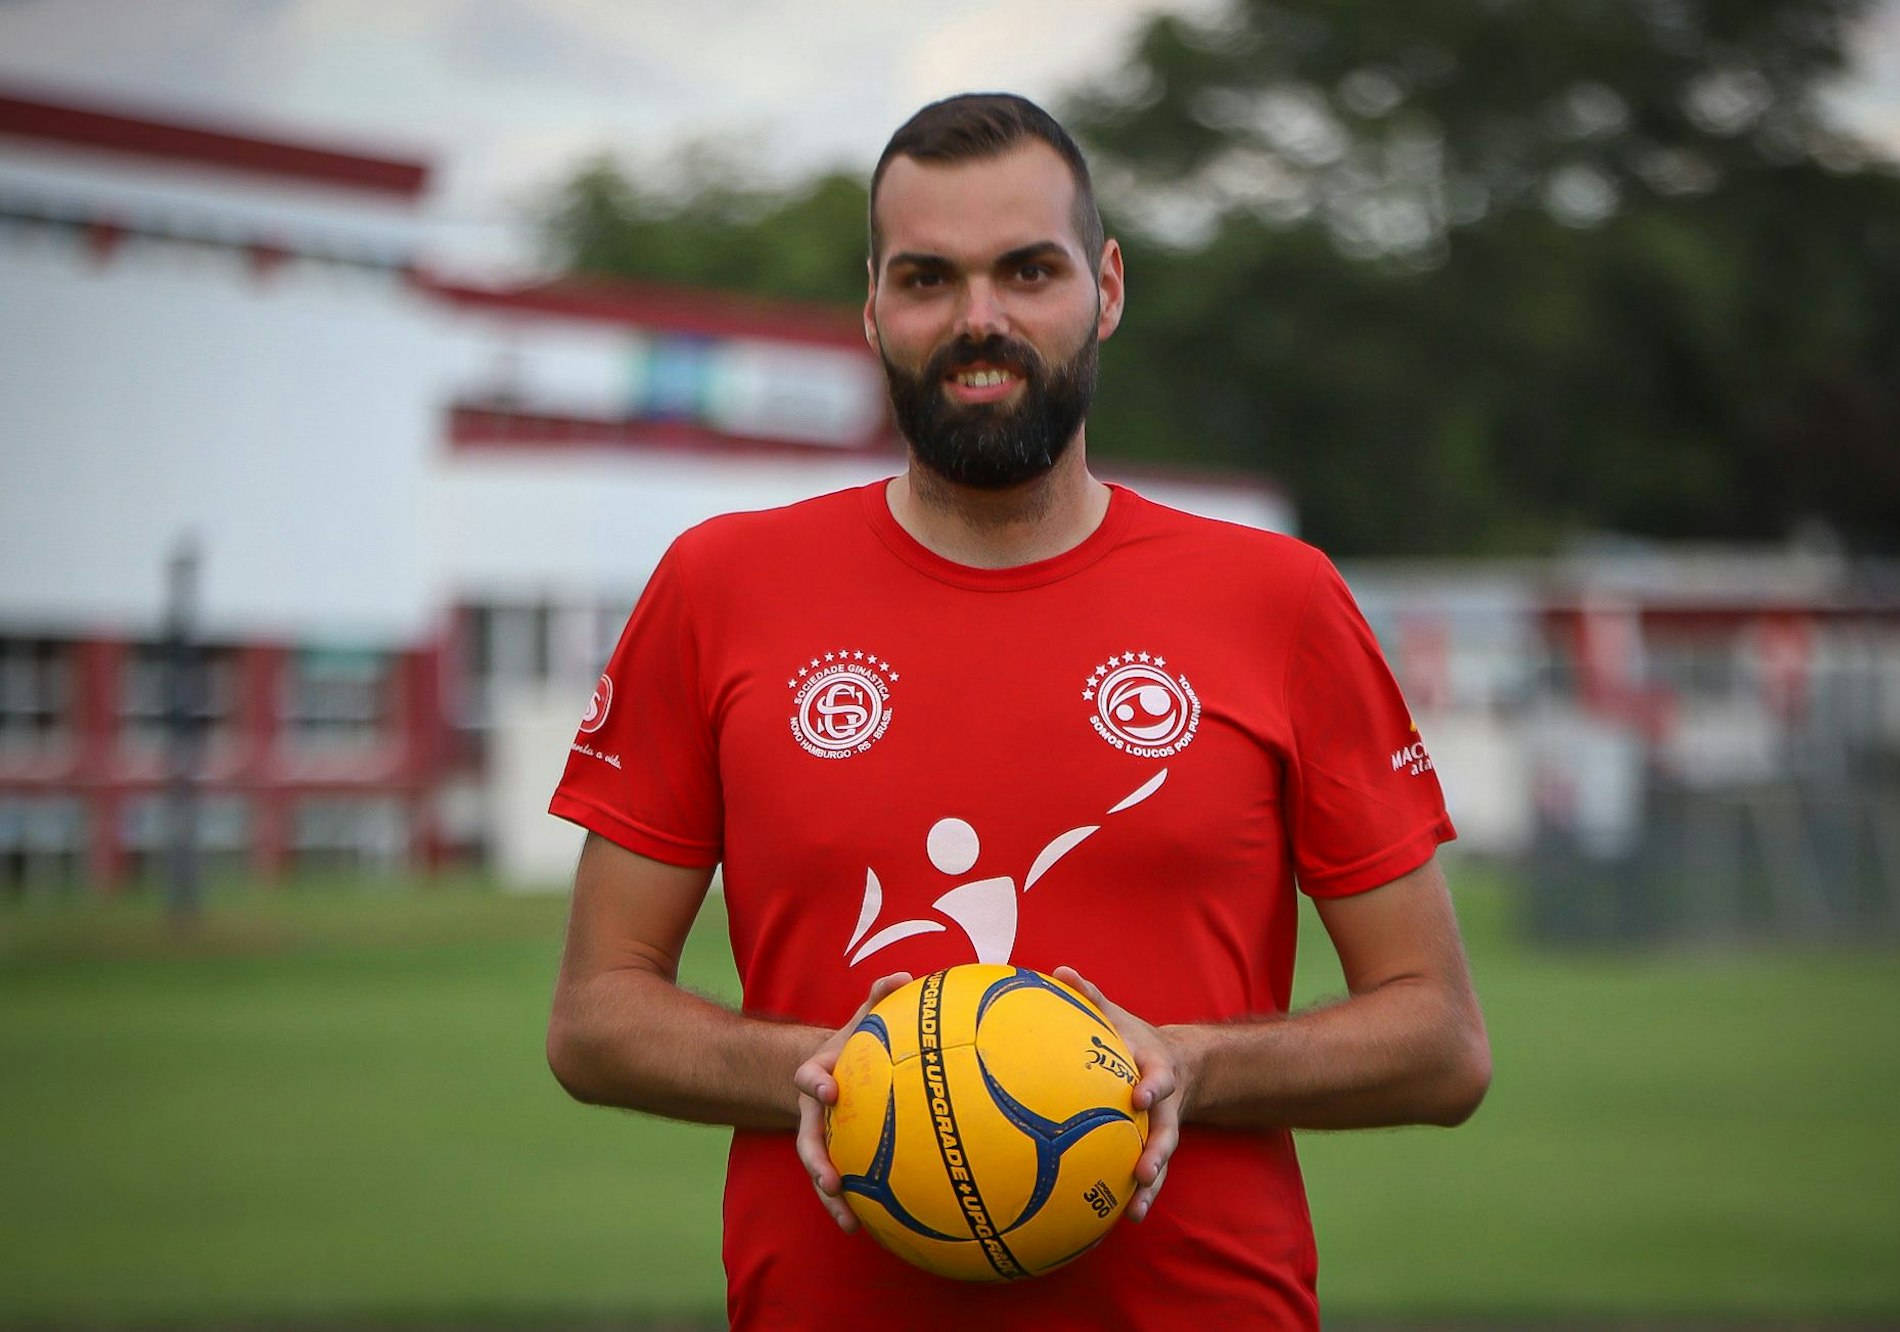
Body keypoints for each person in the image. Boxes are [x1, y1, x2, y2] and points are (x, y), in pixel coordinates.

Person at [546, 91, 1490, 1331]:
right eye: (929, 278)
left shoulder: (1277, 598)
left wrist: (1189, 1064)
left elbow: (1440, 1041)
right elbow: (595, 1016)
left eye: (1026, 271)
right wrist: (860, 1076)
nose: (978, 321)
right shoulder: (720, 587)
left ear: (1103, 288)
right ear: (873, 305)